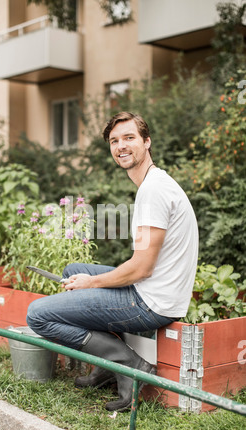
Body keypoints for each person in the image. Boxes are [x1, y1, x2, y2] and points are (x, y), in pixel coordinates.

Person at [27, 111, 199, 412]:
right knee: (72, 272)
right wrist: (86, 279)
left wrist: (92, 283)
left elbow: (141, 268)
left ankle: (130, 366)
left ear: (147, 142)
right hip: (154, 289)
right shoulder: (153, 183)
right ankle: (107, 367)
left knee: (37, 315)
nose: (121, 146)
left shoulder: (153, 192)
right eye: (114, 140)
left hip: (151, 302)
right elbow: (144, 263)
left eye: (129, 138)